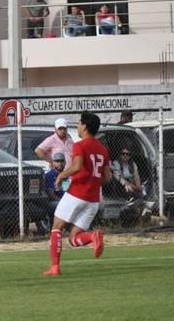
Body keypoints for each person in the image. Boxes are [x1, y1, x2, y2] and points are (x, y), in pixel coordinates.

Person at [44, 111, 111, 277]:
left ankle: (55, 267)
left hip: (76, 193)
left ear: (85, 127)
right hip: (93, 200)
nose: (78, 126)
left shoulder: (79, 145)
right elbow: (107, 178)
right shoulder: (103, 150)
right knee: (74, 239)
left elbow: (77, 166)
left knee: (56, 228)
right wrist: (93, 183)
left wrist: (61, 175)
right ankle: (93, 236)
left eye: (80, 123)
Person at [44, 152, 66, 217]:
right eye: (57, 161)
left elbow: (66, 190)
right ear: (53, 163)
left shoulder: (66, 174)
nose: (60, 163)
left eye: (62, 161)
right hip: (54, 201)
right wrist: (63, 201)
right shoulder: (50, 175)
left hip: (65, 199)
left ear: (65, 162)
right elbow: (51, 195)